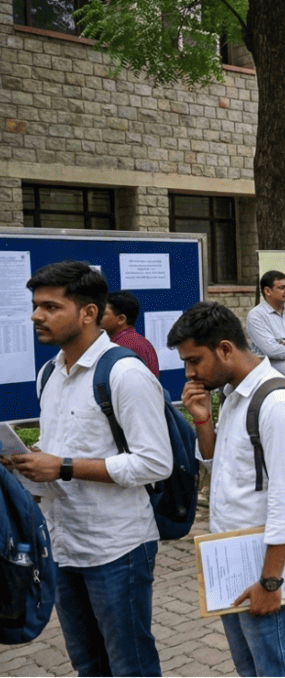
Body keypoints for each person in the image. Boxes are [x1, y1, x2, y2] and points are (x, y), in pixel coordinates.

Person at [7, 262, 170, 677]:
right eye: (34, 306)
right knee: (88, 665)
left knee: (130, 664)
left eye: (49, 306)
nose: (35, 316)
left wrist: (61, 466)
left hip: (117, 547)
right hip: (62, 544)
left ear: (88, 313)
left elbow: (155, 463)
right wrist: (29, 461)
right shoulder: (50, 374)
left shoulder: (124, 373)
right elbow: (63, 450)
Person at [171, 302, 285, 677]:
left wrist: (270, 581)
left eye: (194, 361)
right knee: (252, 670)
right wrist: (203, 423)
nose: (189, 373)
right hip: (233, 565)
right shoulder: (234, 395)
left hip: (264, 570)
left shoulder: (277, 403)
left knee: (280, 670)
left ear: (226, 349)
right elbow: (225, 473)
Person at [100, 289, 160, 377]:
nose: (98, 317)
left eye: (103, 314)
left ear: (121, 319)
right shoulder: (140, 341)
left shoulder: (125, 346)